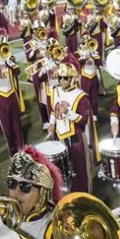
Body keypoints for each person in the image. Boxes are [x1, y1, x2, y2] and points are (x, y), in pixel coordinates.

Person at [47, 55, 94, 193]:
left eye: (65, 78)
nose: (61, 81)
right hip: (59, 137)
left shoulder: (81, 96)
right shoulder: (54, 91)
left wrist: (67, 112)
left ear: (72, 78)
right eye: (59, 78)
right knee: (62, 172)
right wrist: (51, 123)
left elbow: (83, 120)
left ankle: (83, 196)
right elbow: (52, 110)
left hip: (76, 139)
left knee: (80, 172)